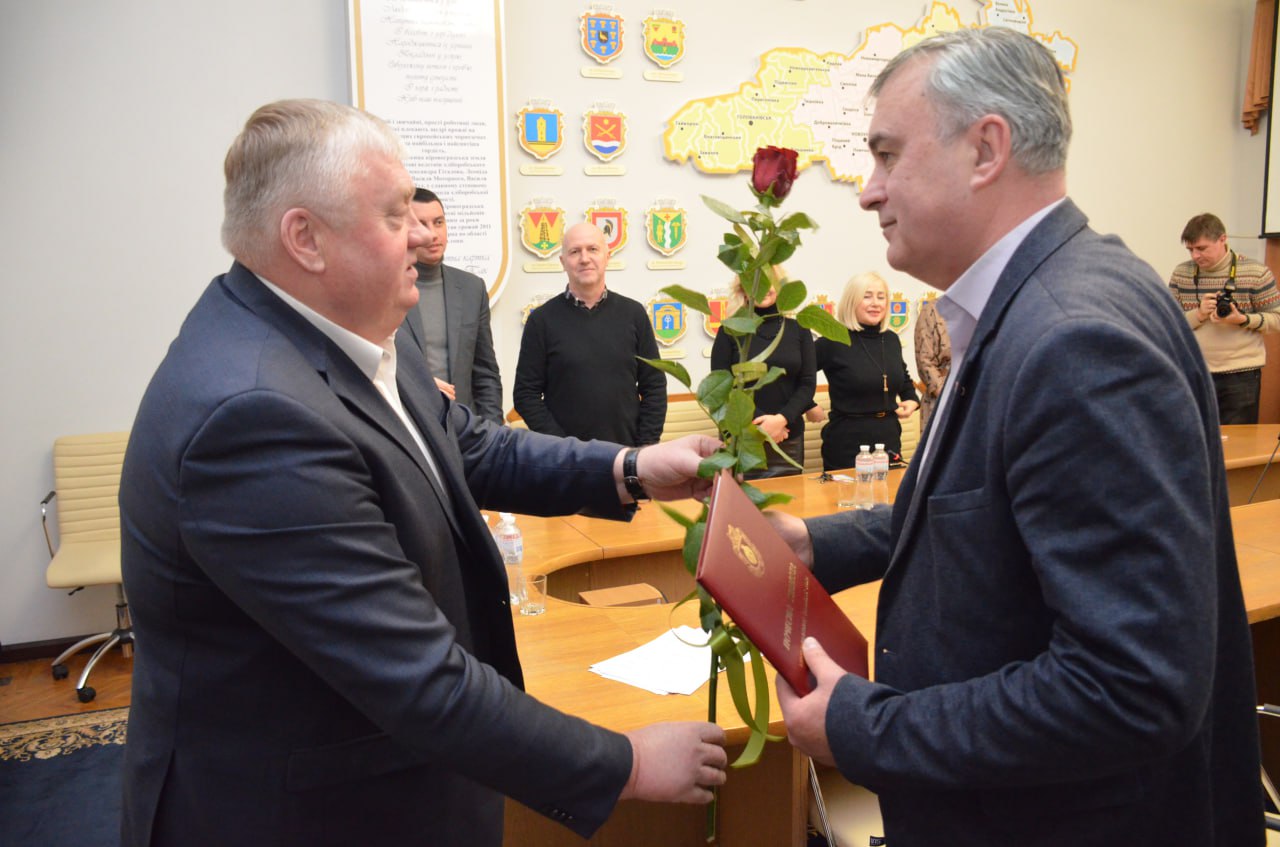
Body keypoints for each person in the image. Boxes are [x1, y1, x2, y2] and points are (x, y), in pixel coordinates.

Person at [117, 99, 727, 847]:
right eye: (393, 214)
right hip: (308, 816)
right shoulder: (253, 416)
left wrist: (633, 467)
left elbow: (471, 446)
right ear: (305, 238)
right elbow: (418, 677)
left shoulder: (360, 330)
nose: (420, 234)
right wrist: (624, 764)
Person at [769, 29, 1263, 846]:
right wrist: (820, 545)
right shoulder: (1055, 291)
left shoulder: (1072, 341)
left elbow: (1129, 686)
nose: (869, 190)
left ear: (985, 149)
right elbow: (984, 512)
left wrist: (866, 725)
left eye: (887, 155)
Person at [513, 222, 667, 445]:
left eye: (593, 249)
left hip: (627, 453)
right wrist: (562, 449)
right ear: (563, 262)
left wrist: (644, 448)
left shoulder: (634, 314)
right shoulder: (541, 321)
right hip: (565, 460)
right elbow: (525, 395)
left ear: (607, 256)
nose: (584, 258)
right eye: (575, 251)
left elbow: (654, 387)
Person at [401, 187, 504, 425]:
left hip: (464, 428)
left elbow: (485, 373)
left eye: (439, 222)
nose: (433, 234)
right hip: (410, 426)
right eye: (421, 224)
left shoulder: (471, 288)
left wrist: (492, 431)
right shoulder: (385, 289)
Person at [1167, 212, 1279, 424]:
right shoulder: (1182, 273)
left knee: (1239, 441)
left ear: (1222, 239)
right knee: (1195, 438)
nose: (1195, 256)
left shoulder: (1256, 272)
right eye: (1190, 250)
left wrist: (1242, 319)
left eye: (1202, 248)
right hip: (1195, 371)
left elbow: (1277, 319)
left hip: (1241, 375)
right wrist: (1198, 314)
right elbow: (1167, 322)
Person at [709, 268, 816, 476]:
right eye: (755, 282)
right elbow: (720, 388)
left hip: (787, 436)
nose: (763, 288)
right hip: (742, 438)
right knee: (739, 497)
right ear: (743, 290)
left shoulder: (799, 329)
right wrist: (763, 425)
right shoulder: (730, 330)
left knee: (789, 497)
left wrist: (781, 420)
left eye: (769, 282)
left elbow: (807, 383)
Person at [812, 272, 919, 470]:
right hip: (846, 443)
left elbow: (902, 376)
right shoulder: (832, 341)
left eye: (881, 297)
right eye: (867, 296)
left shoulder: (891, 339)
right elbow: (799, 376)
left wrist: (912, 398)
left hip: (889, 439)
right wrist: (808, 405)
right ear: (851, 301)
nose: (875, 303)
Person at [913, 295, 950, 432]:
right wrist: (950, 397)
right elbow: (925, 362)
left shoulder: (989, 308)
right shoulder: (933, 310)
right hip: (942, 399)